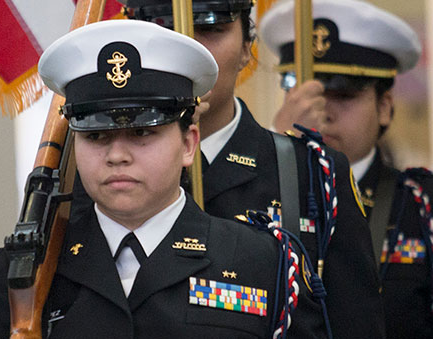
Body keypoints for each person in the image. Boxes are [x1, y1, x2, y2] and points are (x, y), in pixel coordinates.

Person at [0, 20, 320, 338]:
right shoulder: (27, 270)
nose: (117, 155)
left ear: (188, 144)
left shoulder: (260, 262)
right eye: (95, 136)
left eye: (141, 132)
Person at [98, 1, 386, 337]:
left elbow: (354, 325)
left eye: (211, 30)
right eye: (167, 30)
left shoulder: (308, 174)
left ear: (247, 48)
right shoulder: (96, 178)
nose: (191, 49)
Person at [260, 1, 433, 338]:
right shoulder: (253, 204)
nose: (321, 113)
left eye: (342, 94)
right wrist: (284, 155)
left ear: (385, 107)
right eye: (301, 94)